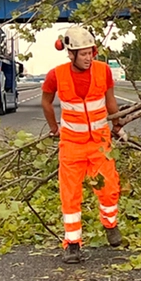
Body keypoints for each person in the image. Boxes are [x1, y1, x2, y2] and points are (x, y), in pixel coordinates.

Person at [41, 26, 123, 263]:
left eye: (91, 52)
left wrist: (117, 125)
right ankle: (72, 243)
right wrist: (54, 128)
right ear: (71, 54)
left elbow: (110, 100)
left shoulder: (103, 71)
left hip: (99, 143)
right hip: (71, 145)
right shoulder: (56, 75)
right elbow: (46, 102)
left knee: (108, 188)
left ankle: (110, 225)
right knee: (70, 194)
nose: (89, 57)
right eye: (84, 54)